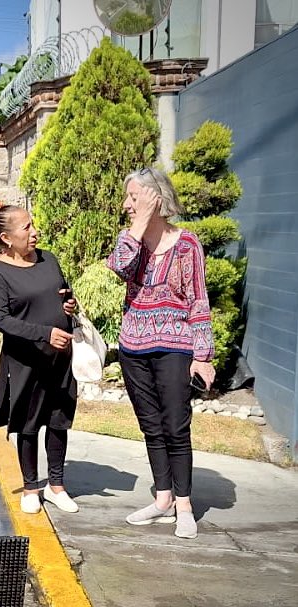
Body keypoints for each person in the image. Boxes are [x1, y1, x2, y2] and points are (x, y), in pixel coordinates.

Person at [107, 166, 215, 540]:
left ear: (155, 199)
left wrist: (203, 355)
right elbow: (118, 267)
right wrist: (138, 226)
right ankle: (163, 497)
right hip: (133, 347)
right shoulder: (130, 242)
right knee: (150, 426)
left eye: (133, 198)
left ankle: (184, 504)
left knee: (175, 425)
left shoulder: (187, 245)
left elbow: (198, 300)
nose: (127, 205)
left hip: (174, 348)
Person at [0, 205, 80, 514]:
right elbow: (0, 319)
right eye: (26, 227)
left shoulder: (48, 259)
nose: (34, 231)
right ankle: (30, 487)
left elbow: (62, 293)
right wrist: (43, 333)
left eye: (32, 224)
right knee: (28, 424)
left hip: (60, 358)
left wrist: (69, 304)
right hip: (26, 362)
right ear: (6, 238)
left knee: (58, 420)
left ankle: (57, 486)